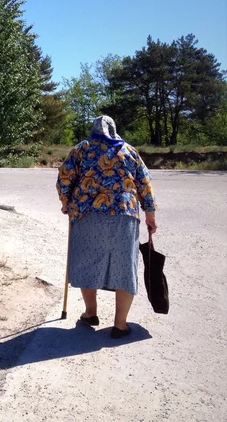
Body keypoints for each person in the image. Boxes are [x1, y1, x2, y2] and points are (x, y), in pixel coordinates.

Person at [56, 115, 157, 339]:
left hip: (87, 214)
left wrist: (65, 204)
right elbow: (145, 183)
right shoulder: (130, 151)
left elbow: (64, 178)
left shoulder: (82, 149)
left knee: (87, 262)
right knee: (124, 267)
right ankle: (120, 325)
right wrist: (150, 214)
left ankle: (91, 313)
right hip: (124, 215)